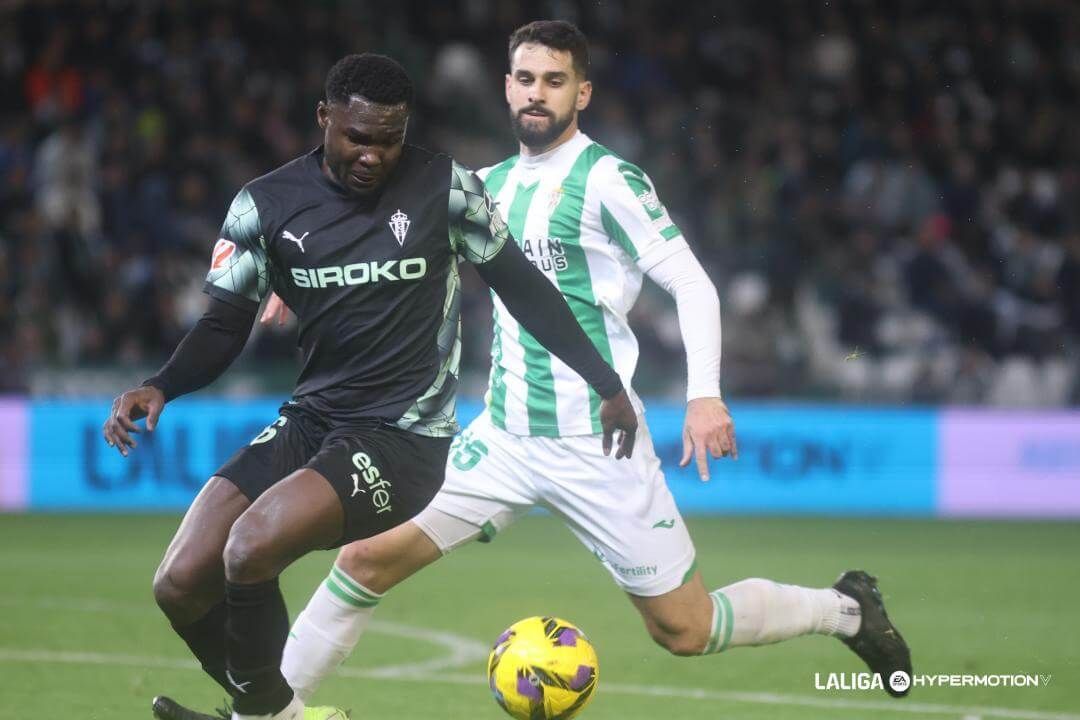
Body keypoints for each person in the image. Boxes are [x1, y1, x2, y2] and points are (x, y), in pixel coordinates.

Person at [262, 21, 913, 708]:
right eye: (525, 79)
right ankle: (268, 711)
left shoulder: (609, 181)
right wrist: (297, 276)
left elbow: (692, 284)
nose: (536, 94)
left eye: (554, 80)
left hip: (599, 444)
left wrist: (703, 395)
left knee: (685, 629)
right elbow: (382, 252)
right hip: (503, 438)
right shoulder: (482, 187)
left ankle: (843, 609)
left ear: (583, 92)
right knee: (365, 558)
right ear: (506, 87)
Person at [102, 52, 638, 720]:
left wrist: (605, 383)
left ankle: (261, 715)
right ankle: (280, 714)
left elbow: (526, 289)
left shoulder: (446, 188)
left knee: (250, 546)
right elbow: (223, 324)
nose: (374, 155)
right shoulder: (264, 206)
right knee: (180, 582)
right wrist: (161, 385)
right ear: (324, 118)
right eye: (358, 137)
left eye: (390, 140)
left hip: (404, 436)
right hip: (312, 419)